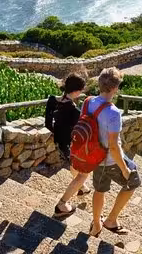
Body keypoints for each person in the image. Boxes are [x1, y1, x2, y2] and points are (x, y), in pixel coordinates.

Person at [55, 67, 141, 236]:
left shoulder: (88, 101)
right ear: (115, 88)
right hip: (110, 160)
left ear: (100, 84)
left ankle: (96, 224)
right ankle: (111, 220)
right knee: (134, 182)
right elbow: (114, 146)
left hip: (94, 158)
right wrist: (124, 169)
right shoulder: (113, 112)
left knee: (99, 190)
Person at [44, 72, 92, 216]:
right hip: (72, 146)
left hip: (60, 142)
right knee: (84, 173)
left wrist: (58, 132)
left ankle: (81, 187)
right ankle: (61, 205)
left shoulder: (52, 100)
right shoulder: (75, 111)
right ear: (77, 91)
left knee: (73, 166)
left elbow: (48, 124)